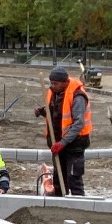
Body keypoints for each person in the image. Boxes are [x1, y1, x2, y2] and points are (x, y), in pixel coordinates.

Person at [35, 66, 92, 196]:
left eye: (56, 83)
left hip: (74, 146)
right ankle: (60, 205)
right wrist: (43, 112)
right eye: (51, 83)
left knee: (73, 179)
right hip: (58, 145)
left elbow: (78, 124)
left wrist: (63, 142)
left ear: (65, 82)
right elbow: (56, 114)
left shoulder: (78, 97)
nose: (53, 86)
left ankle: (79, 207)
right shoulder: (55, 93)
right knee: (58, 180)